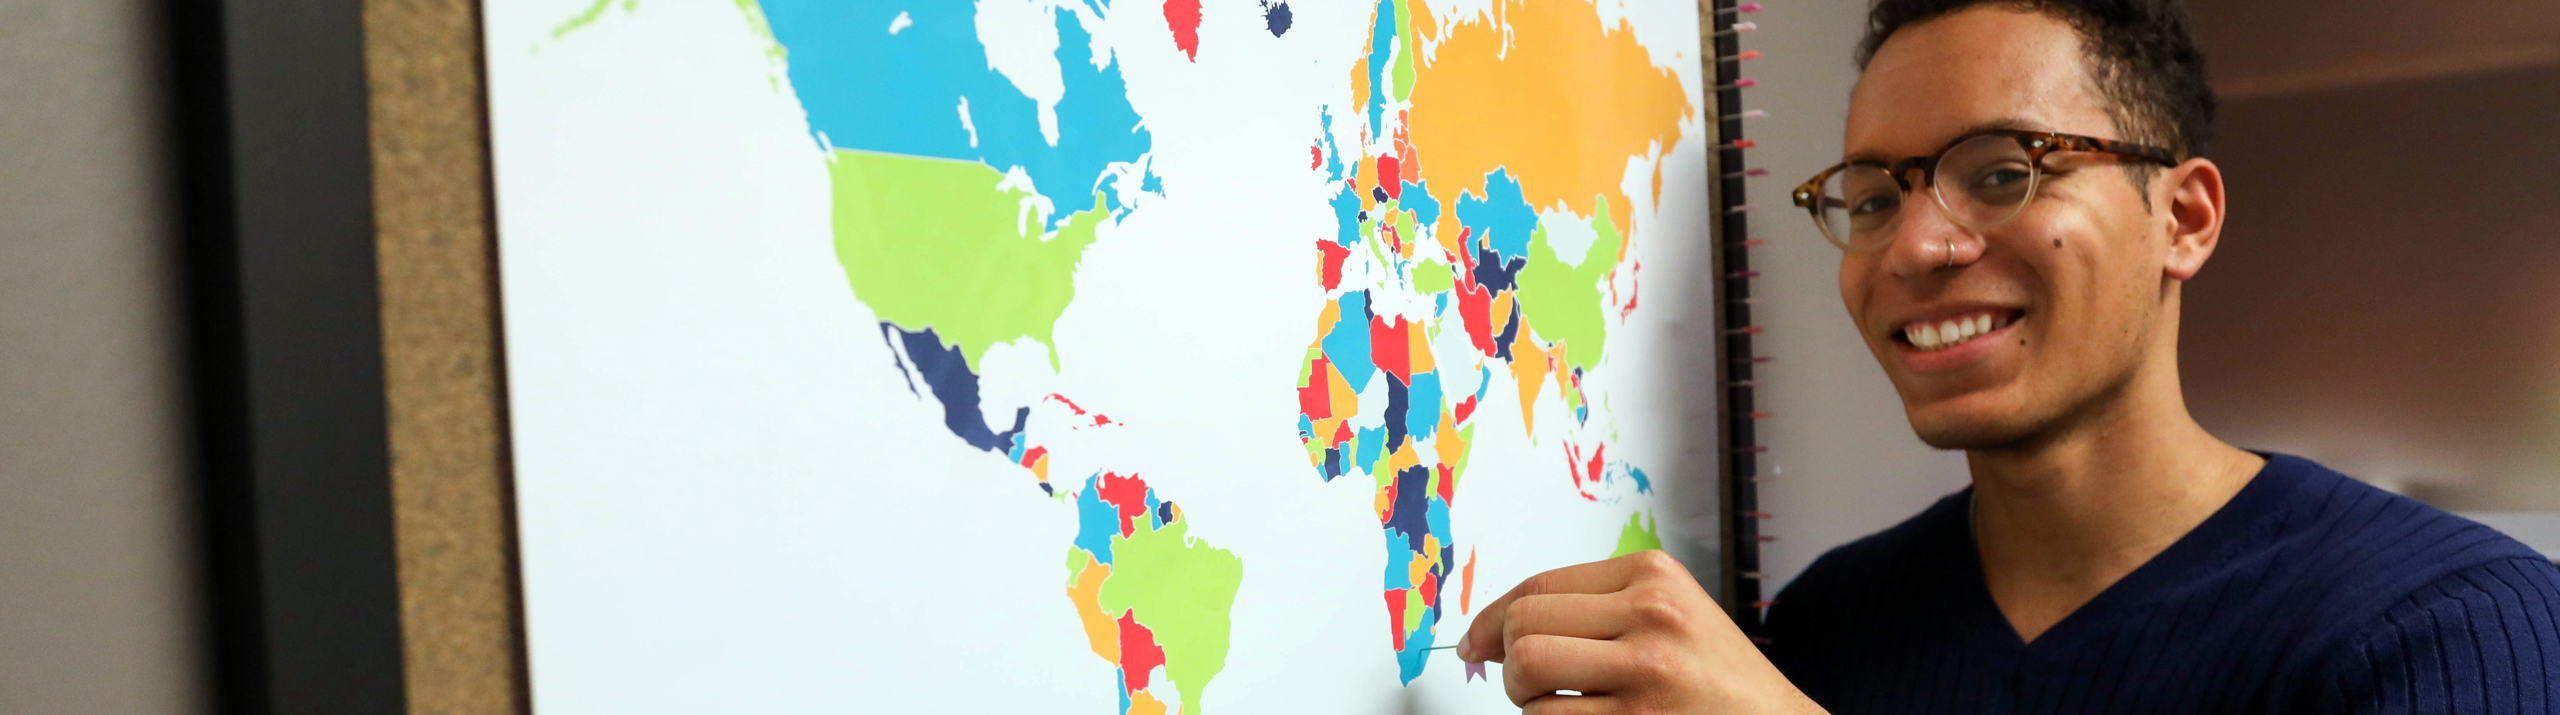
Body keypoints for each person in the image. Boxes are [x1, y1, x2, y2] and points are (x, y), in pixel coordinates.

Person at [1453, 0, 2560, 712]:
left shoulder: (2452, 624)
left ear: (2182, 219)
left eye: (2002, 171)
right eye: (1875, 196)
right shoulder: (1827, 623)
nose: (1916, 246)